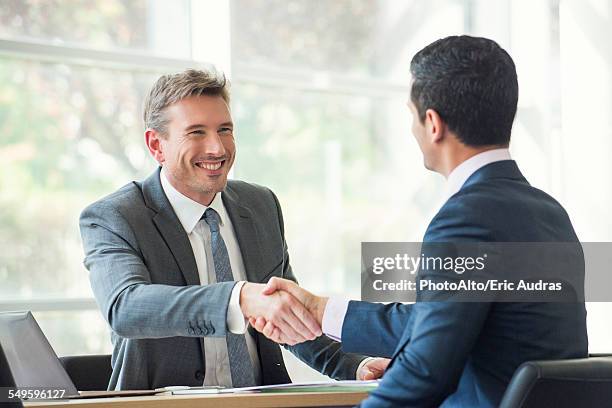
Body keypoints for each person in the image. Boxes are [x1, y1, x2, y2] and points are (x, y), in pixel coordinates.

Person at [250, 35, 589, 407]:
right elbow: (441, 320)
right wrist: (320, 310)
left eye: (411, 114)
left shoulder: (465, 220)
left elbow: (425, 372)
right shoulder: (550, 214)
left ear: (432, 123)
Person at [79, 69, 388, 390]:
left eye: (224, 129)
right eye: (196, 132)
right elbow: (125, 308)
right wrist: (238, 299)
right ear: (156, 145)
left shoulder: (260, 205)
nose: (217, 148)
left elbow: (288, 319)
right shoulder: (115, 216)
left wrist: (357, 365)